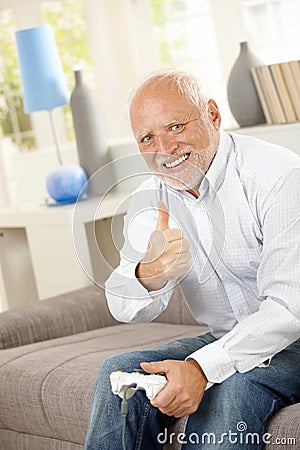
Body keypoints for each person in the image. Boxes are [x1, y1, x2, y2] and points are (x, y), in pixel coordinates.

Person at [84, 70, 300, 449]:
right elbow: (120, 303)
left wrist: (201, 368)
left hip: (294, 338)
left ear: (213, 115)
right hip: (228, 337)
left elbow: (289, 309)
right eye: (147, 137)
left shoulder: (278, 177)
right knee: (116, 378)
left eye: (176, 126)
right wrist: (151, 271)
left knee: (230, 385)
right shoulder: (152, 200)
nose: (164, 148)